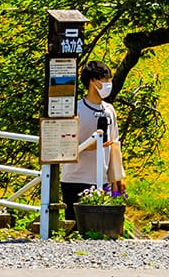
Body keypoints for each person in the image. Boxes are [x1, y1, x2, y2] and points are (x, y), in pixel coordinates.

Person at [59, 59, 124, 219]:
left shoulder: (109, 110)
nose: (109, 84)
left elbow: (115, 144)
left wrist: (119, 178)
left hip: (102, 179)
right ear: (93, 81)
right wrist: (89, 146)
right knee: (75, 225)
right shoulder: (76, 109)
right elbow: (63, 146)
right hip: (75, 178)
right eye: (105, 79)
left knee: (100, 227)